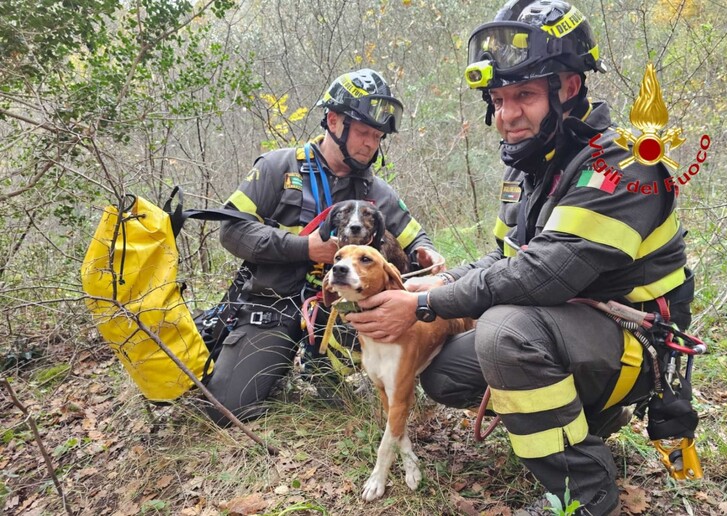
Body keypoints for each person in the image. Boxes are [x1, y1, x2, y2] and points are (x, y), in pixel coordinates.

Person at [347, 1, 695, 515]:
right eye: (499, 98)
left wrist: (426, 306)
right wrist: (428, 285)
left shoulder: (623, 164)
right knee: (443, 372)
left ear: (569, 88)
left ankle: (585, 494)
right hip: (577, 331)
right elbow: (501, 257)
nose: (507, 115)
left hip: (633, 343)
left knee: (505, 332)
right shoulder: (531, 170)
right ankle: (585, 421)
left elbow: (545, 273)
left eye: (525, 96)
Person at [205, 68, 444, 426]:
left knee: (336, 394)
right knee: (227, 410)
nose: (371, 144)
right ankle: (269, 358)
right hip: (274, 306)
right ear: (333, 121)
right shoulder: (277, 167)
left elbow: (417, 238)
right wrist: (303, 249)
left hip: (344, 309)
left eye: (377, 137)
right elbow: (231, 230)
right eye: (364, 132)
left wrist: (426, 252)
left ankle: (331, 372)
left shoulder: (377, 192)